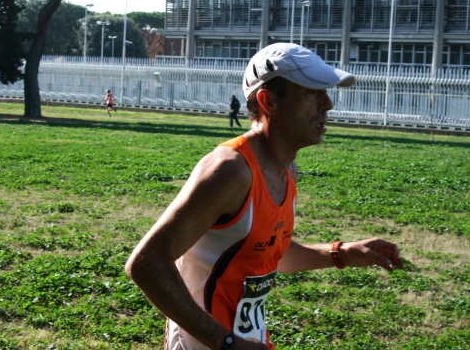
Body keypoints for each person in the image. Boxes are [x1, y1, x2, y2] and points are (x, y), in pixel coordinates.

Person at [125, 43, 404, 350]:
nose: (328, 104)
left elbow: (271, 252)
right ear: (267, 100)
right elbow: (147, 263)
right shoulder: (229, 171)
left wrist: (341, 253)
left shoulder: (286, 170)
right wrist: (226, 342)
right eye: (312, 92)